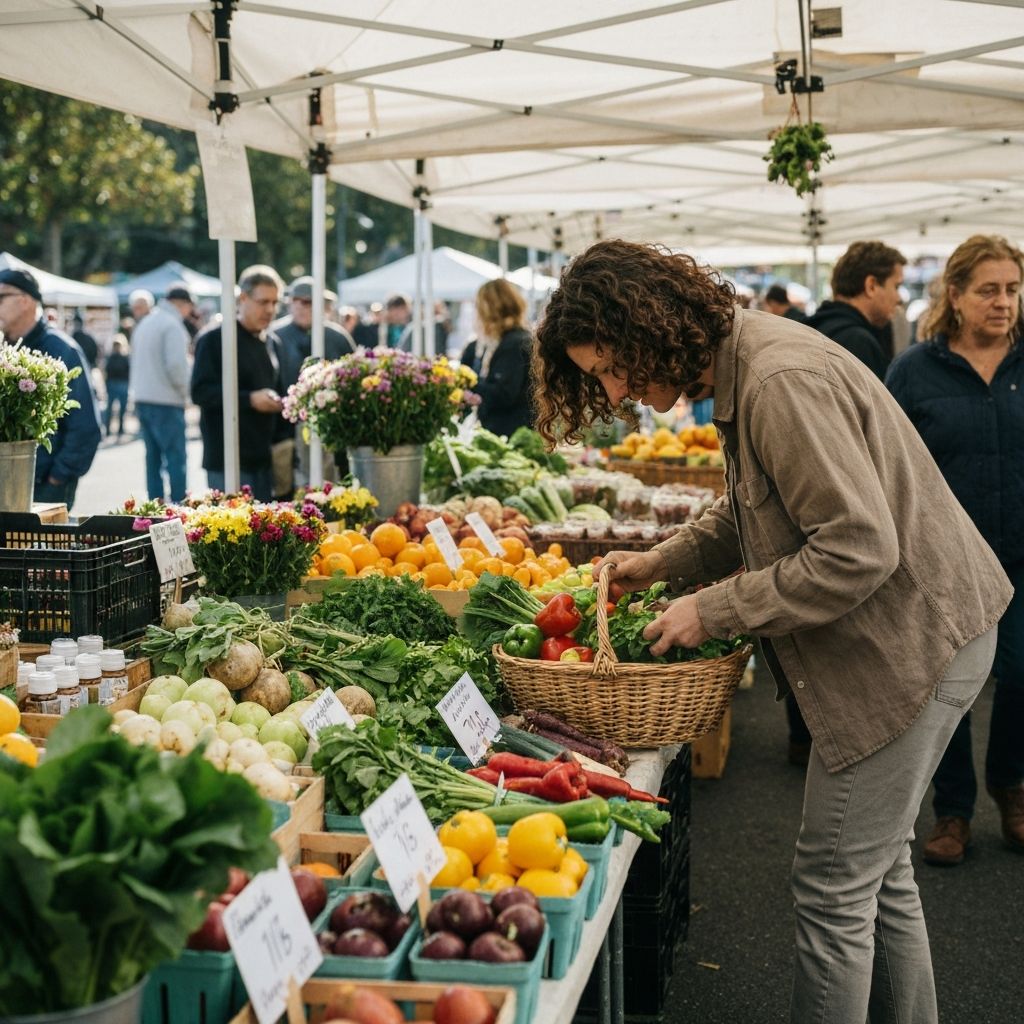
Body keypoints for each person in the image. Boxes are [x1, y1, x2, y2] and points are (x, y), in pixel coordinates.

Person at [532, 239, 1011, 1024]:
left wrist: (712, 609)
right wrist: (663, 565)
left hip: (918, 641)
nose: (617, 389)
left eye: (615, 367)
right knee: (878, 870)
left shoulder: (777, 380)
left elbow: (858, 547)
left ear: (651, 324)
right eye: (600, 380)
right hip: (924, 629)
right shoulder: (742, 362)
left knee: (832, 884)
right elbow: (750, 508)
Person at [886, 234, 1024, 866]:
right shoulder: (916, 370)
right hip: (949, 562)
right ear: (957, 295)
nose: (1004, 303)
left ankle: (1012, 786)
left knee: (1022, 678)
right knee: (953, 690)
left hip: (1023, 555)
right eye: (989, 290)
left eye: (1014, 290)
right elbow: (890, 464)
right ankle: (953, 811)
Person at [0, 268, 101, 510]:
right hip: (8, 480)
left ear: (25, 301)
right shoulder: (6, 347)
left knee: (41, 549)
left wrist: (58, 476)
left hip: (46, 484)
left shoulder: (62, 350)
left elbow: (86, 428)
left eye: (1, 298)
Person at [190, 266, 290, 500]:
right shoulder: (214, 339)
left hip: (264, 459)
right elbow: (200, 392)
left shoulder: (272, 341)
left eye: (275, 303)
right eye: (263, 301)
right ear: (242, 299)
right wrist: (250, 399)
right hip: (227, 459)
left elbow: (279, 388)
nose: (270, 309)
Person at [273, 275, 355, 488]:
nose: (301, 307)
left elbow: (353, 378)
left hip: (332, 427)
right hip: (284, 429)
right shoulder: (275, 336)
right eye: (296, 300)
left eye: (308, 302)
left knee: (334, 488)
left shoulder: (338, 337)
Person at [129, 284, 194, 502]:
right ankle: (179, 508)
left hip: (143, 397)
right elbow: (177, 367)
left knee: (152, 459)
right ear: (182, 304)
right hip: (166, 400)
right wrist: (186, 394)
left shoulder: (146, 322)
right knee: (176, 458)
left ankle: (154, 509)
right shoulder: (172, 325)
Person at [805, 240, 906, 381]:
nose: (899, 298)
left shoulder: (813, 328)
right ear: (871, 286)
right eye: (896, 286)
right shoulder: (859, 343)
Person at [461, 279, 533, 436]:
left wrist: (466, 381)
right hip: (499, 432)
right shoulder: (487, 343)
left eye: (478, 307)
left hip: (512, 436)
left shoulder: (515, 343)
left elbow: (503, 395)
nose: (476, 313)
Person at [102, 335, 131, 439]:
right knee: (109, 408)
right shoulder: (110, 357)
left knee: (122, 409)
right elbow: (106, 371)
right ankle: (108, 429)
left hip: (122, 384)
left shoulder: (125, 357)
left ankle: (121, 428)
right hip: (112, 384)